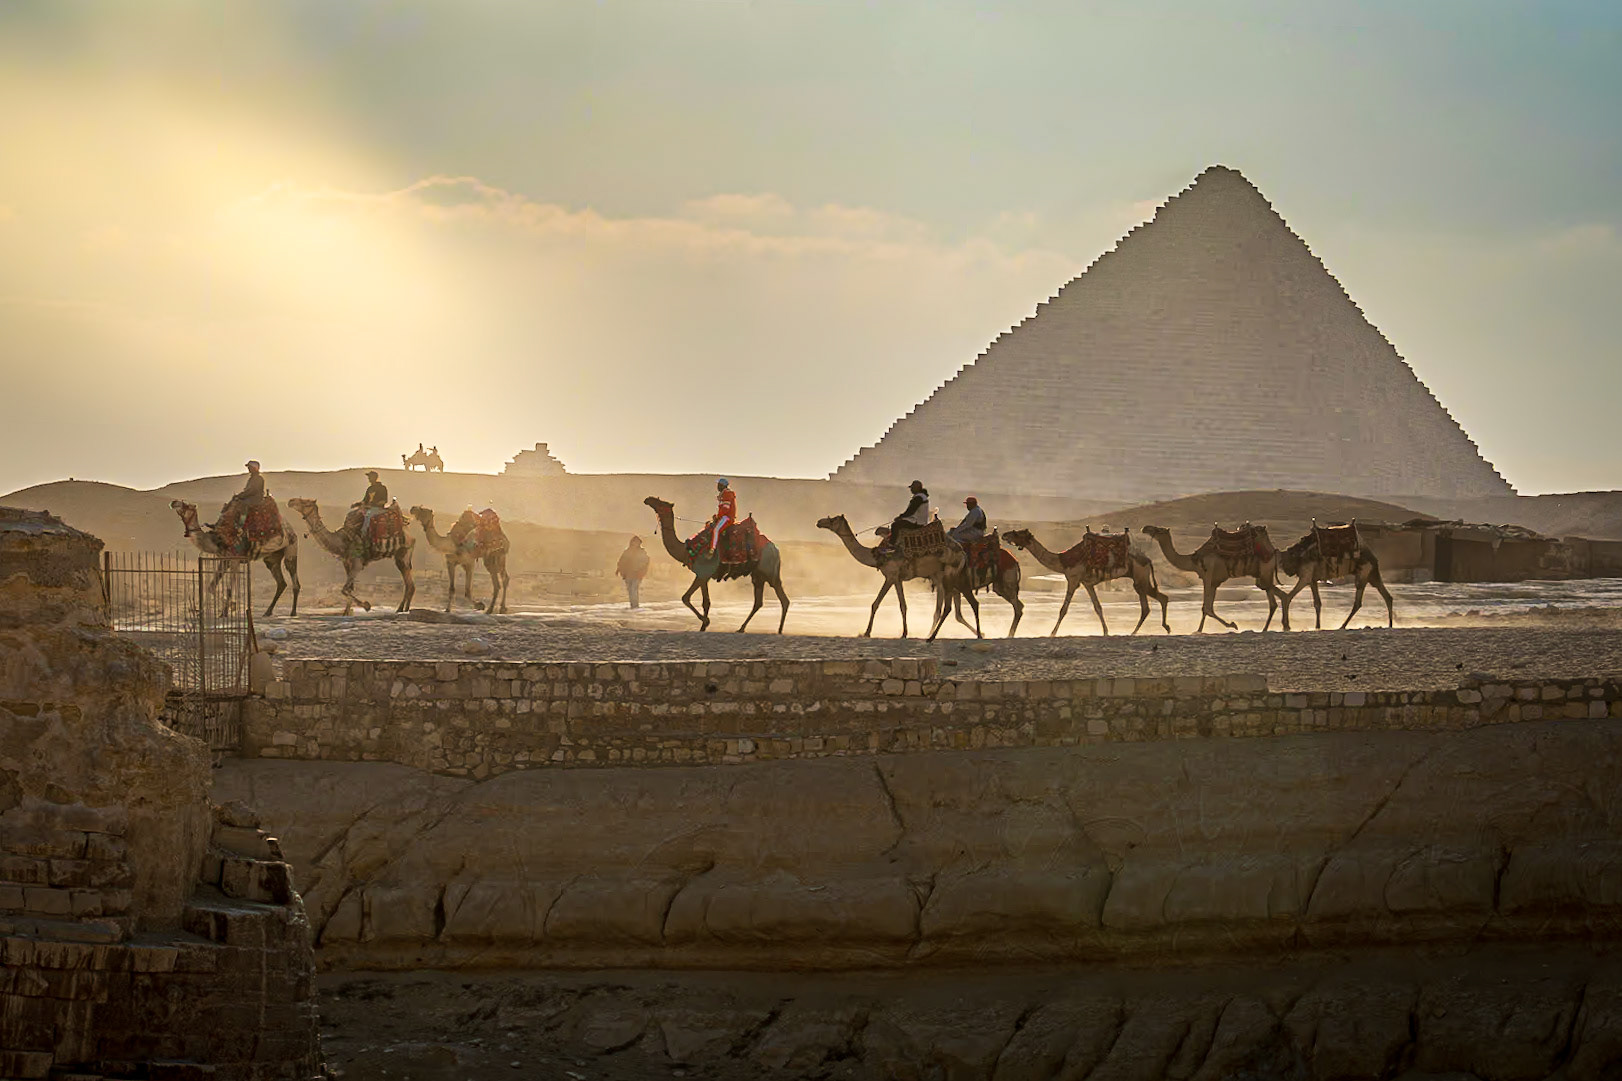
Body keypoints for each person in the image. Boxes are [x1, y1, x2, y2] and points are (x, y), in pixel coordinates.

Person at [885, 480, 931, 547]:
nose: (911, 489)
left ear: (917, 488)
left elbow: (911, 511)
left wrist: (900, 517)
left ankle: (891, 545)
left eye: (912, 488)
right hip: (919, 521)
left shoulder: (919, 497)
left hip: (917, 522)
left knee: (895, 525)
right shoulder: (922, 496)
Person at [616, 536, 651, 609]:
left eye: (637, 542)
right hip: (628, 573)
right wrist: (618, 569)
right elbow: (622, 561)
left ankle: (635, 605)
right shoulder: (627, 551)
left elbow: (646, 563)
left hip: (637, 574)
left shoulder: (642, 552)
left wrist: (642, 572)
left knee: (634, 589)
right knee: (630, 590)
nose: (635, 543)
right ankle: (632, 605)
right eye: (634, 542)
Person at [707, 478, 737, 558]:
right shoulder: (724, 494)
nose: (717, 487)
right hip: (724, 516)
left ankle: (712, 549)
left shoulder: (727, 494)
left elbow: (725, 509)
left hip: (727, 517)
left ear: (722, 486)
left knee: (716, 530)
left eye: (719, 485)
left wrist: (718, 517)